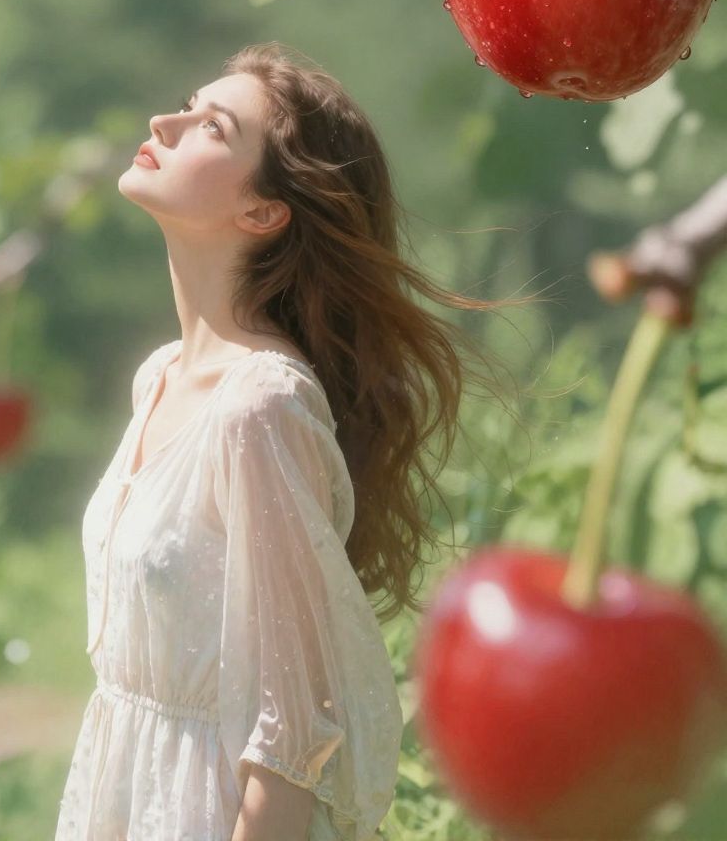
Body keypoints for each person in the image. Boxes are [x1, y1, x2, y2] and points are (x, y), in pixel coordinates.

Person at [53, 43, 527, 841]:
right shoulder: (160, 377)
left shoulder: (261, 406)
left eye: (210, 126)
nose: (163, 123)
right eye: (186, 103)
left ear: (264, 212)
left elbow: (292, 733)